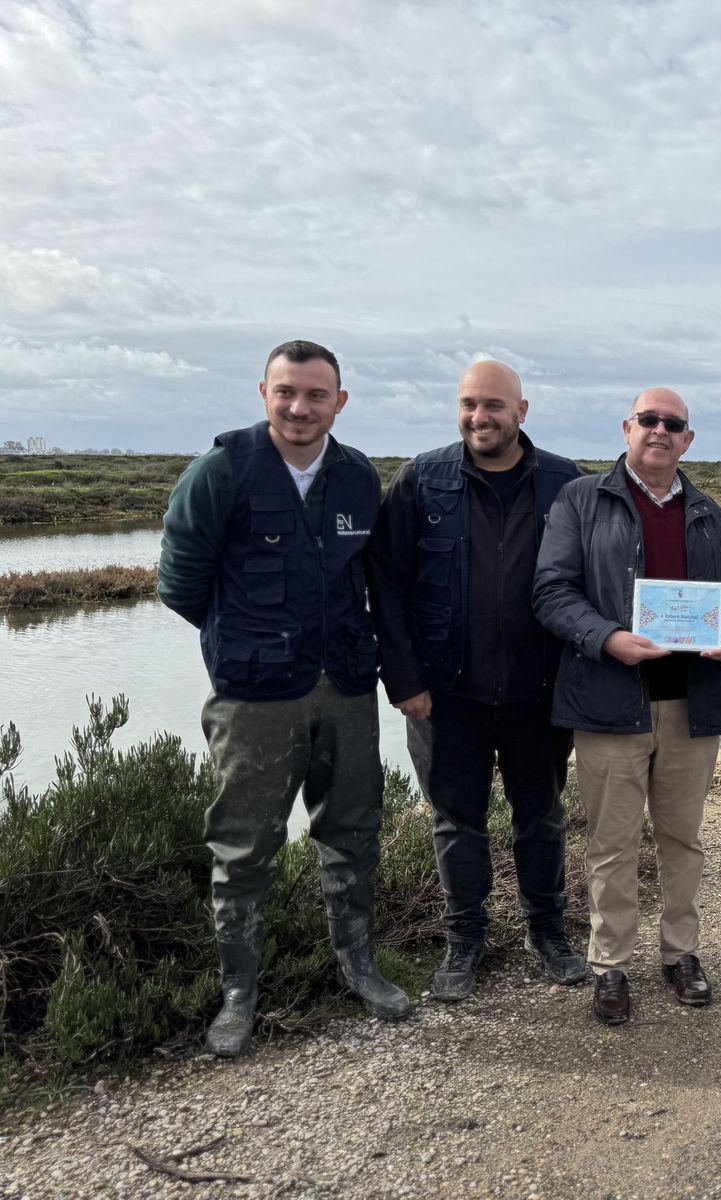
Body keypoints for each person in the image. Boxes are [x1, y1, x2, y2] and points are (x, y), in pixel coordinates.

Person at [157, 339, 410, 1057]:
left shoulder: (358, 478)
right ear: (263, 393)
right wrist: (245, 639)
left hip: (348, 689)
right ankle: (240, 993)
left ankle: (359, 968)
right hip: (255, 696)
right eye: (286, 392)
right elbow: (180, 585)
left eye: (316, 394)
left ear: (340, 401)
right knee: (244, 848)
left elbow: (379, 580)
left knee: (354, 830)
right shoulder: (220, 473)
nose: (300, 408)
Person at [532, 387, 721, 1025]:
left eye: (674, 424)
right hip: (609, 702)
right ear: (627, 427)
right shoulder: (580, 500)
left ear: (688, 440)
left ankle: (681, 954)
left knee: (683, 839)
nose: (660, 430)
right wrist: (605, 638)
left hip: (693, 703)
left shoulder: (709, 512)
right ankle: (610, 965)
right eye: (648, 420)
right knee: (612, 843)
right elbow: (551, 592)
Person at [366, 359, 585, 1001]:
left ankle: (548, 932)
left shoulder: (563, 483)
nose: (478, 417)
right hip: (444, 695)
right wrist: (403, 680)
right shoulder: (422, 479)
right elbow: (387, 582)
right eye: (468, 404)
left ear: (522, 410)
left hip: (538, 693)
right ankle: (465, 940)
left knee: (540, 817)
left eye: (493, 405)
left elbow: (592, 577)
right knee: (456, 823)